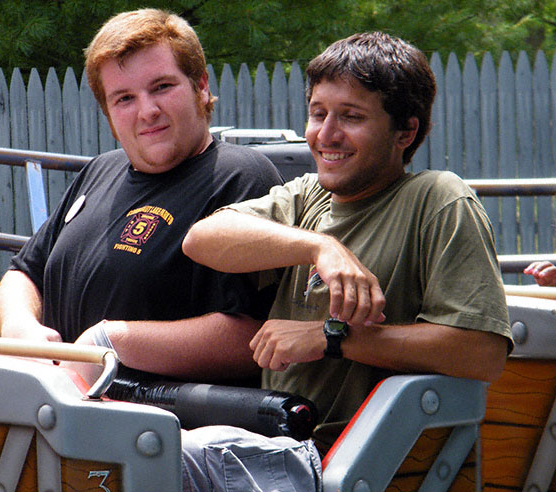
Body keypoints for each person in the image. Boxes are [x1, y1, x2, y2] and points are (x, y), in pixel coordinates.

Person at [181, 31, 513, 491]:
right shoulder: (308, 194)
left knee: (161, 456)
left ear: (406, 132)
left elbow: (482, 352)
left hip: (342, 463)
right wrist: (320, 248)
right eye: (318, 114)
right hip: (271, 441)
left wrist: (331, 338)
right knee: (130, 437)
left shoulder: (438, 199)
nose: (326, 134)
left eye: (351, 117)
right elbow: (202, 238)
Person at [0, 8, 284, 384]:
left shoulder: (240, 176)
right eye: (124, 98)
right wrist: (19, 325)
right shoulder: (99, 171)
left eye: (162, 87)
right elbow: (24, 272)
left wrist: (112, 342)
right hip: (55, 411)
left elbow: (255, 337)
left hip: (162, 433)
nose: (148, 111)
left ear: (201, 86)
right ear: (109, 116)